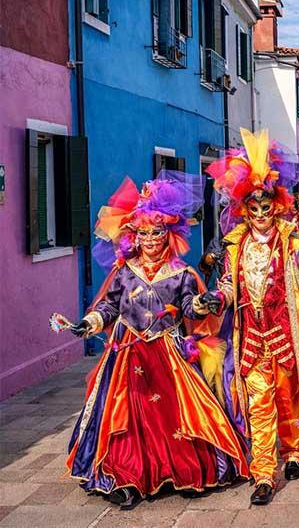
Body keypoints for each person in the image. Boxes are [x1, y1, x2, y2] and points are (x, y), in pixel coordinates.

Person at [66, 173, 248, 509]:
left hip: (167, 351)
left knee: (179, 412)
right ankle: (123, 475)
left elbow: (190, 308)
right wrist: (89, 324)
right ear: (134, 236)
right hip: (127, 353)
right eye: (144, 233)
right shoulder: (124, 271)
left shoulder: (181, 273)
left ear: (169, 234)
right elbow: (109, 305)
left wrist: (202, 303)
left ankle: (184, 469)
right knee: (124, 416)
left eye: (157, 232)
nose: (150, 240)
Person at [202, 128, 299, 506]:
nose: (260, 215)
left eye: (266, 208)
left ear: (275, 206)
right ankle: (263, 473)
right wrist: (218, 299)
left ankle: (293, 450)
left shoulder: (292, 242)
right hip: (251, 338)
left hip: (286, 333)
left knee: (287, 396)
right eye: (253, 209)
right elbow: (229, 284)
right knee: (258, 402)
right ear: (245, 209)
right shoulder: (235, 244)